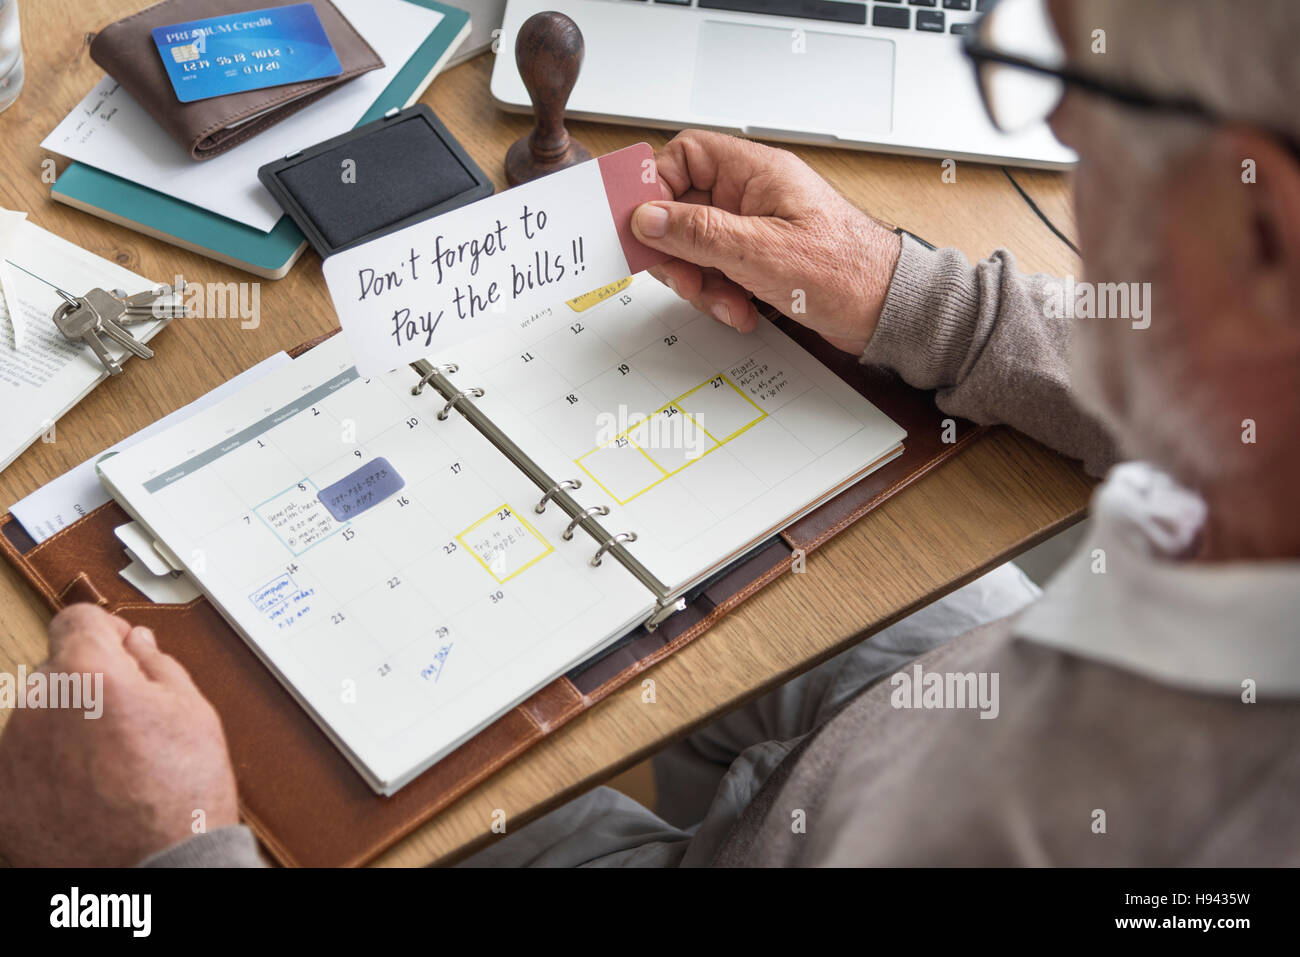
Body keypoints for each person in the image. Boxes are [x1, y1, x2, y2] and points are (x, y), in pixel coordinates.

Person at [2, 0, 1297, 867]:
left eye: (1081, 94)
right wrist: (909, 294)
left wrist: (167, 856)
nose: (1059, 134)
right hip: (957, 711)